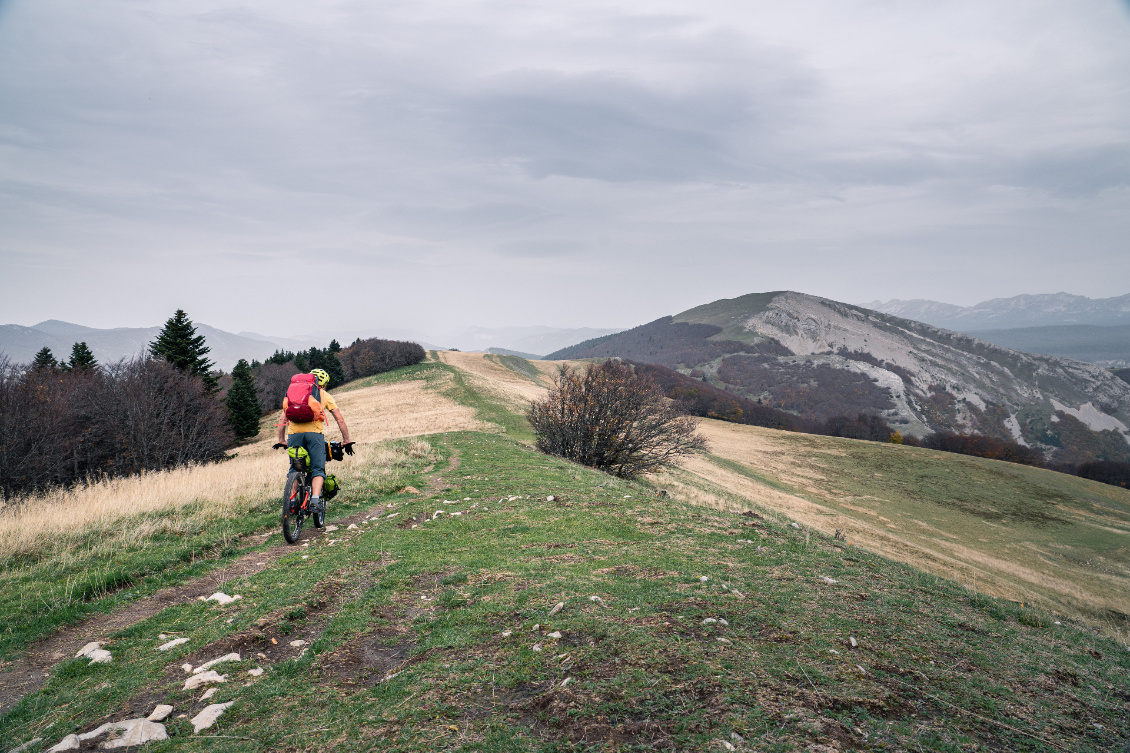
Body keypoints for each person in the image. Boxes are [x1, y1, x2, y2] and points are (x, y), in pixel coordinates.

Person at [273, 368, 354, 515]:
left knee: (295, 468)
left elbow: (282, 419)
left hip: (294, 435)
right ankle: (315, 501)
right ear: (323, 383)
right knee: (317, 468)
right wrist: (346, 440)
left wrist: (281, 440)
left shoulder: (294, 394)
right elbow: (339, 418)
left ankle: (291, 503)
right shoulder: (323, 394)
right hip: (314, 435)